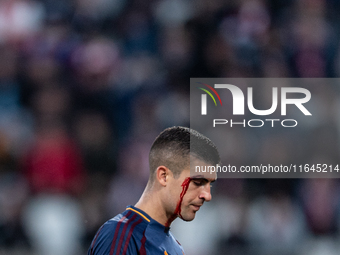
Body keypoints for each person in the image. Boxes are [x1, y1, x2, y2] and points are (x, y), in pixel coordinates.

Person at [88, 126, 220, 255]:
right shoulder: (120, 234)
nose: (207, 195)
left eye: (210, 185)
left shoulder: (176, 247)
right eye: (197, 183)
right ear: (163, 176)